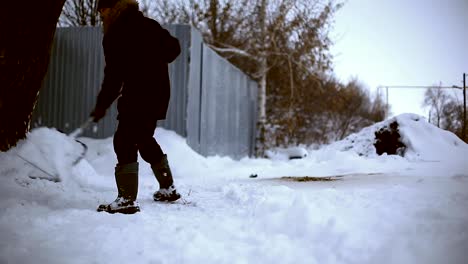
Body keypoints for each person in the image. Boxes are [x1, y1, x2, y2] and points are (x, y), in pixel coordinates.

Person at [91, 0, 181, 214]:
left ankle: (127, 199)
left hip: (138, 94)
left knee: (123, 140)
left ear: (112, 8)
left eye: (102, 10)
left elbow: (113, 76)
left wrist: (102, 105)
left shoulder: (115, 34)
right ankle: (167, 188)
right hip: (158, 93)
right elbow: (173, 49)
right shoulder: (150, 26)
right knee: (143, 137)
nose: (101, 15)